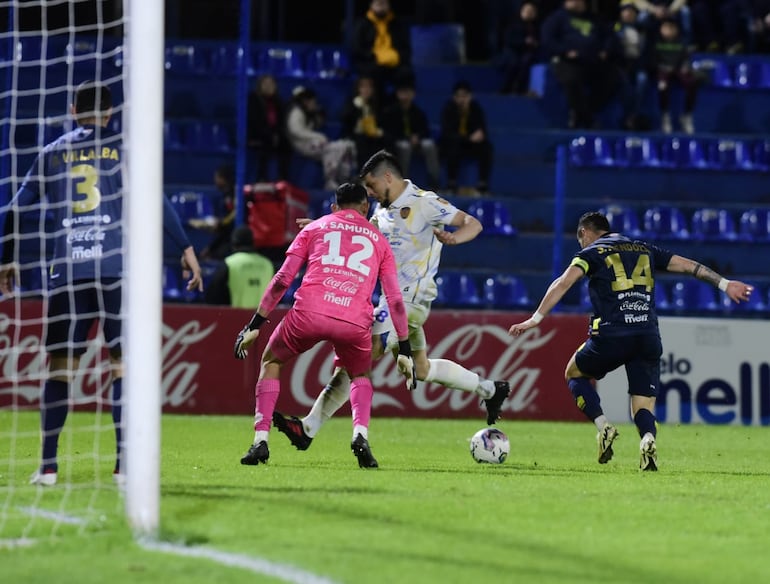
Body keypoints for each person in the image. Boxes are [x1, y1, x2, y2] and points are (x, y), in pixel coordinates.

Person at [0, 81, 203, 486]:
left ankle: (47, 467)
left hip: (67, 274)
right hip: (117, 273)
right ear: (110, 115)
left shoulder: (51, 152)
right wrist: (186, 248)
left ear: (74, 110)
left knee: (60, 371)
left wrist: (6, 257)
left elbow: (14, 208)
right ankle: (124, 467)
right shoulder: (128, 151)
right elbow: (158, 203)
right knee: (123, 367)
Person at [270, 150, 510, 453]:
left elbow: (473, 223)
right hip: (395, 306)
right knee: (421, 369)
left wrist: (454, 238)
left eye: (371, 185)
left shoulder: (424, 202)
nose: (368, 193)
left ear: (387, 177)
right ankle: (490, 389)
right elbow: (359, 233)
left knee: (359, 359)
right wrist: (320, 225)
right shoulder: (381, 213)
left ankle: (308, 428)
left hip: (412, 299)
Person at [508, 211, 754, 471]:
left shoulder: (591, 252)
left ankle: (603, 426)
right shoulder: (643, 248)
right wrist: (725, 284)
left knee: (574, 373)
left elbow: (563, 282)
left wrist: (536, 318)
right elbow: (687, 265)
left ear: (584, 233)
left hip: (612, 334)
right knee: (643, 402)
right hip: (647, 335)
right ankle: (647, 439)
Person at [233, 182, 414, 469]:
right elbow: (395, 300)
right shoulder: (379, 240)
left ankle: (260, 442)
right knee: (360, 374)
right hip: (354, 322)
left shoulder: (315, 227)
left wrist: (255, 323)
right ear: (366, 208)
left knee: (271, 360)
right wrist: (404, 348)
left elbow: (282, 279)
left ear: (334, 207)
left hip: (309, 314)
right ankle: (360, 436)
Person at [540, 0, 628, 129]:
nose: (578, 3)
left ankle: (585, 112)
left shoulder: (594, 19)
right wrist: (564, 51)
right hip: (568, 60)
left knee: (613, 78)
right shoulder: (558, 17)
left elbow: (609, 36)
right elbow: (548, 39)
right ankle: (587, 119)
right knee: (571, 79)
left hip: (593, 60)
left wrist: (605, 51)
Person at [285, 85, 356, 191]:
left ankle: (344, 180)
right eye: (312, 101)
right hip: (302, 145)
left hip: (311, 143)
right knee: (332, 149)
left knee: (344, 147)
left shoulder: (309, 113)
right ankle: (330, 181)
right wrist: (317, 136)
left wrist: (318, 115)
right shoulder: (296, 112)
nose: (314, 103)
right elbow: (296, 131)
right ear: (305, 101)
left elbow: (316, 123)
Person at [381, 79, 440, 190]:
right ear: (398, 94)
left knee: (429, 145)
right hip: (399, 141)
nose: (405, 96)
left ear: (413, 94)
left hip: (417, 142)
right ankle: (403, 182)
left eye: (408, 93)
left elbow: (425, 130)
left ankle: (434, 181)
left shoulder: (418, 112)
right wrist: (407, 138)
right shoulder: (391, 112)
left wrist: (418, 137)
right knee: (405, 147)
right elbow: (389, 132)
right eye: (402, 93)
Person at [350, 0, 413, 103]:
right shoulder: (362, 24)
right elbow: (357, 48)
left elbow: (406, 48)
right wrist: (376, 56)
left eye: (384, 3)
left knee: (406, 74)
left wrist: (396, 57)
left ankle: (400, 108)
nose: (381, 7)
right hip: (371, 63)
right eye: (378, 4)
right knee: (372, 75)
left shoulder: (397, 24)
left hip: (394, 64)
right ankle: (373, 107)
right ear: (371, 5)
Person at [439, 80, 493, 195]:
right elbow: (447, 133)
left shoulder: (475, 108)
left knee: (487, 147)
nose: (462, 99)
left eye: (465, 96)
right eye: (459, 96)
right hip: (454, 143)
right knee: (452, 146)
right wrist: (468, 138)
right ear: (454, 97)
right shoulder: (449, 108)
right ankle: (451, 183)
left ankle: (483, 184)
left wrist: (480, 134)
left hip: (470, 145)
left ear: (470, 96)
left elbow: (482, 129)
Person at [204, 225, 275, 308]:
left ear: (234, 243)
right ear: (252, 243)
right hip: (263, 319)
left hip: (235, 317)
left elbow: (212, 296)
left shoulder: (229, 263)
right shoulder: (268, 264)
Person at [652, 17, 700, 134]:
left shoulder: (681, 43)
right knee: (662, 86)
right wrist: (661, 67)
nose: (668, 30)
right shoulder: (656, 43)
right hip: (662, 71)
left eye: (671, 28)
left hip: (678, 71)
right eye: (665, 27)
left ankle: (687, 115)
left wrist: (684, 67)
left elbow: (685, 59)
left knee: (692, 82)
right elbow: (652, 61)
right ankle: (665, 116)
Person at [341, 75, 392, 171]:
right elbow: (346, 120)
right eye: (363, 87)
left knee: (387, 139)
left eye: (369, 87)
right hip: (356, 135)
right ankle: (363, 175)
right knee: (362, 141)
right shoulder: (352, 103)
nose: (366, 90)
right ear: (358, 89)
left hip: (374, 134)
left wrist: (378, 132)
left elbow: (383, 122)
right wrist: (356, 107)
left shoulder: (378, 104)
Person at [247, 73, 291, 182]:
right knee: (265, 144)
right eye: (265, 83)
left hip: (274, 135)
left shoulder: (278, 101)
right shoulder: (254, 99)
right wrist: (270, 134)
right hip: (258, 135)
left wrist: (277, 134)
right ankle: (262, 178)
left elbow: (282, 122)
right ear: (259, 86)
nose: (268, 86)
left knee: (286, 144)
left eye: (271, 83)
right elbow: (254, 122)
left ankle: (283, 178)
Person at [497, 1, 541, 95]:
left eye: (532, 11)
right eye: (527, 10)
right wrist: (524, 41)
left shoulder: (536, 27)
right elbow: (508, 40)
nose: (529, 13)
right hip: (513, 50)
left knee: (526, 62)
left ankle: (520, 90)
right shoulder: (513, 24)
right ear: (521, 11)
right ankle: (506, 89)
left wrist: (535, 44)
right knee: (513, 63)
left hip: (528, 53)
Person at [192, 163, 235, 261]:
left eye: (217, 177)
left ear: (222, 178)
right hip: (224, 236)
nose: (215, 180)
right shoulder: (225, 196)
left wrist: (219, 223)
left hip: (230, 238)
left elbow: (232, 218)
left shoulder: (234, 195)